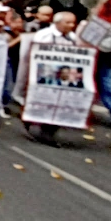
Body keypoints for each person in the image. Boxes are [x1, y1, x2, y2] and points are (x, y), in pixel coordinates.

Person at [27, 11, 78, 147]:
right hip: (45, 75)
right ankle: (31, 121)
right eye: (68, 22)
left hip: (63, 77)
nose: (71, 25)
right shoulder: (43, 35)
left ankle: (49, 133)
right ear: (57, 23)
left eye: (73, 22)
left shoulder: (73, 38)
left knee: (60, 105)